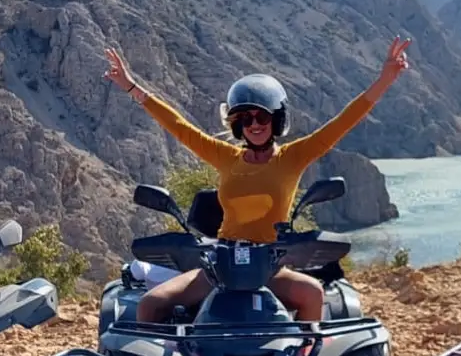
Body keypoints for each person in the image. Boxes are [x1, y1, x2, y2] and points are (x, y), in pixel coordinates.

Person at [103, 38, 412, 323]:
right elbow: (178, 126)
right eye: (245, 118)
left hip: (269, 265)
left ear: (276, 119)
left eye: (262, 117)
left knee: (313, 294)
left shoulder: (293, 157)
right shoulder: (226, 157)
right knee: (151, 303)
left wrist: (385, 79)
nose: (254, 124)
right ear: (237, 124)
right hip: (221, 264)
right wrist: (131, 86)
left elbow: (343, 122)